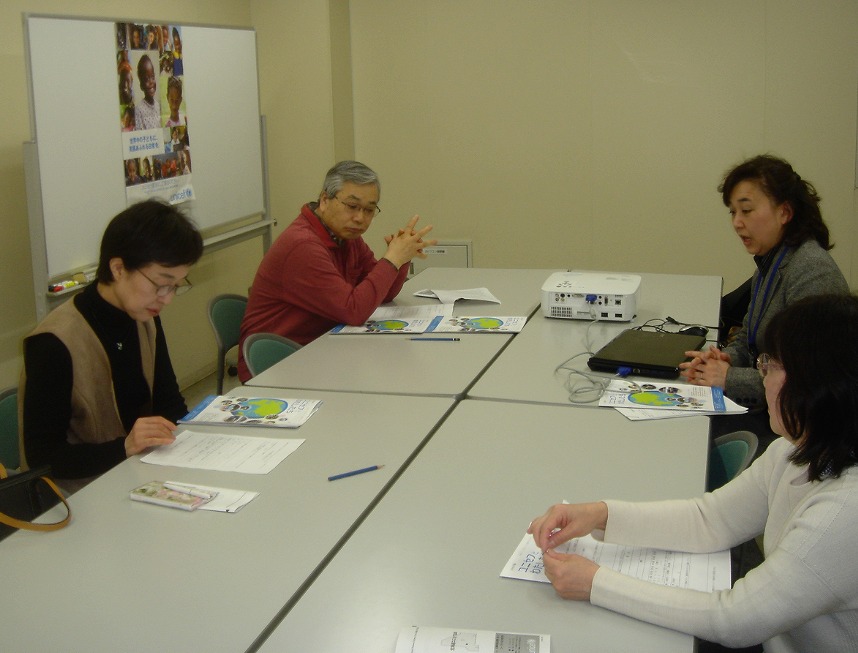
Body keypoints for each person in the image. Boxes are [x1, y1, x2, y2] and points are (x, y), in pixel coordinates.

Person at [529, 293, 858, 652]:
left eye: (771, 365)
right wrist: (599, 514)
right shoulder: (795, 450)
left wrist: (595, 583)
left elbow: (736, 619)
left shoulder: (844, 512)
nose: (762, 375)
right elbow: (710, 520)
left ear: (814, 384)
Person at [19, 200, 203, 494]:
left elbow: (169, 404)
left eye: (176, 286)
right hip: (79, 493)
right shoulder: (54, 342)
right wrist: (124, 447)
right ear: (118, 268)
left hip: (136, 474)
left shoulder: (144, 318)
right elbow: (43, 459)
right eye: (161, 283)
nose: (167, 298)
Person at [237, 160, 436, 381]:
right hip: (280, 364)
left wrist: (401, 258)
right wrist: (392, 259)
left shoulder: (346, 237)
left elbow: (383, 294)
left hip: (323, 347)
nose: (360, 218)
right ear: (324, 200)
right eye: (352, 206)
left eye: (369, 210)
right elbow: (354, 310)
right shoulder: (303, 246)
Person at [680, 154, 847, 408]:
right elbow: (749, 338)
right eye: (733, 212)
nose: (737, 223)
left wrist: (729, 378)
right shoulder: (771, 262)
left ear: (785, 212)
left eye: (746, 211)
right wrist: (724, 359)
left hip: (796, 420)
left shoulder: (813, 272)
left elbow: (807, 380)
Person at [134, 54, 161, 130]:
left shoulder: (158, 105)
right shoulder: (139, 110)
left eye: (152, 77)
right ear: (141, 85)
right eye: (146, 79)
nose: (151, 82)